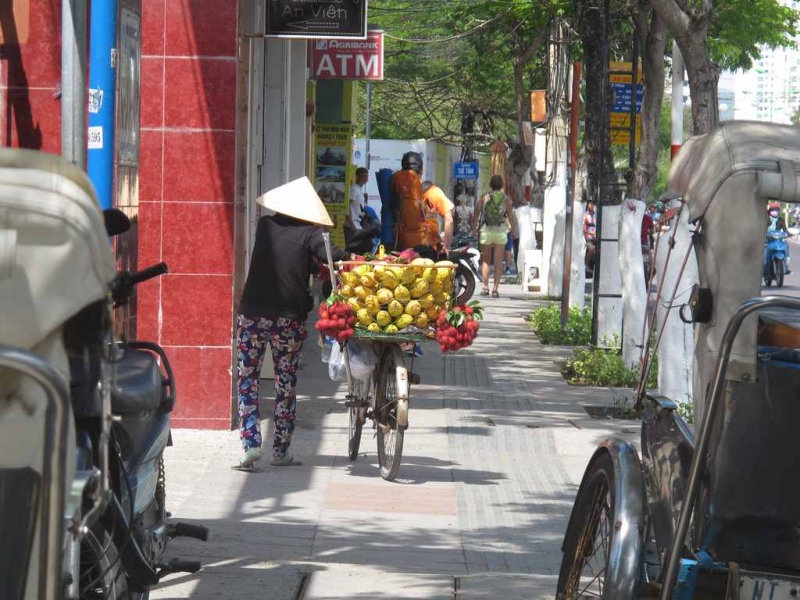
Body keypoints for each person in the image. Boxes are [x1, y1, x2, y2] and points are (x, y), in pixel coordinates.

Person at [235, 177, 351, 470]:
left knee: (247, 379)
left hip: (253, 316)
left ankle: (250, 444)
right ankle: (281, 451)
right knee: (285, 383)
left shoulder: (265, 227)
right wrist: (350, 256)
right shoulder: (310, 233)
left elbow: (288, 256)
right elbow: (330, 255)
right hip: (288, 321)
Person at [472, 174, 517, 298]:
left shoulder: (484, 197)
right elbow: (510, 216)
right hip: (501, 231)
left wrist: (474, 229)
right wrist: (513, 230)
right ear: (501, 185)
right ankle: (495, 289)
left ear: (491, 185)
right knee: (498, 262)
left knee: (486, 261)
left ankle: (485, 287)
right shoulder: (506, 199)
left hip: (486, 230)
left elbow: (476, 213)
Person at [421, 180, 454, 254]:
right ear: (421, 171)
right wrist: (446, 247)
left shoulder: (408, 190)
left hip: (407, 244)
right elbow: (449, 220)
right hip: (429, 246)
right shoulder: (434, 192)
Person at [767, 201, 792, 274]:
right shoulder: (766, 219)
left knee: (786, 246)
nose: (775, 212)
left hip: (778, 240)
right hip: (768, 241)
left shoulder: (781, 220)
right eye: (773, 210)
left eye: (776, 210)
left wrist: (790, 234)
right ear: (769, 211)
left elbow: (785, 230)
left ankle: (786, 266)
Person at [345, 167, 369, 242]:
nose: (366, 179)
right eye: (364, 177)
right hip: (352, 225)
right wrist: (351, 223)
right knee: (352, 249)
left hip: (358, 225)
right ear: (358, 177)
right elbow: (347, 206)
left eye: (367, 177)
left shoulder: (359, 189)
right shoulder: (354, 189)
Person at [584, 201, 596, 276]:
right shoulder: (585, 215)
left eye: (593, 204)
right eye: (590, 204)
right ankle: (587, 265)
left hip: (596, 237)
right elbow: (584, 229)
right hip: (588, 237)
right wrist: (591, 234)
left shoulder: (596, 214)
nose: (592, 205)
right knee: (592, 248)